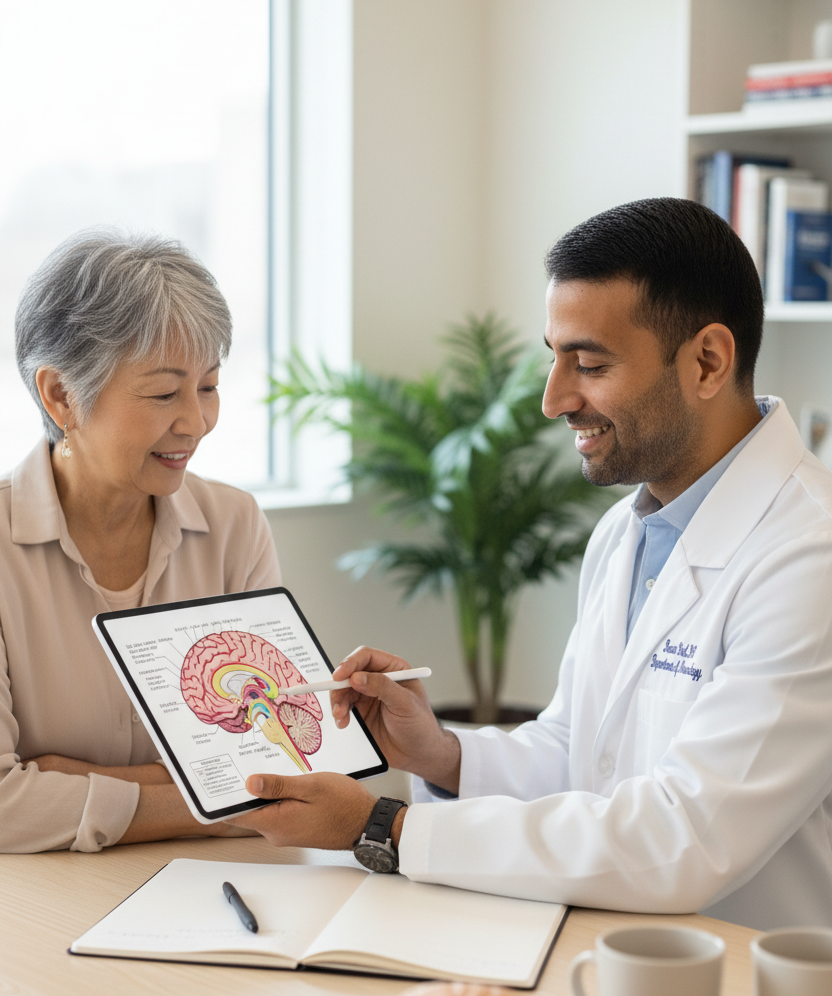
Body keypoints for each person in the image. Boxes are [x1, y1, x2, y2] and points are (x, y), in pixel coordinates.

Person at [230, 197, 832, 932]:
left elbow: (685, 838)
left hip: (754, 993)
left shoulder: (810, 554)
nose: (555, 399)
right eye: (554, 358)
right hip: (608, 952)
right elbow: (581, 752)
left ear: (707, 361)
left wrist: (385, 827)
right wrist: (444, 754)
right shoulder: (626, 532)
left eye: (590, 364)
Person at [1, 229, 280, 852]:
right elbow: (2, 805)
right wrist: (218, 801)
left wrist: (77, 781)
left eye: (207, 386)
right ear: (61, 395)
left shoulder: (234, 526)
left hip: (222, 880)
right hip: (37, 911)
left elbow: (273, 759)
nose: (197, 422)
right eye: (162, 393)